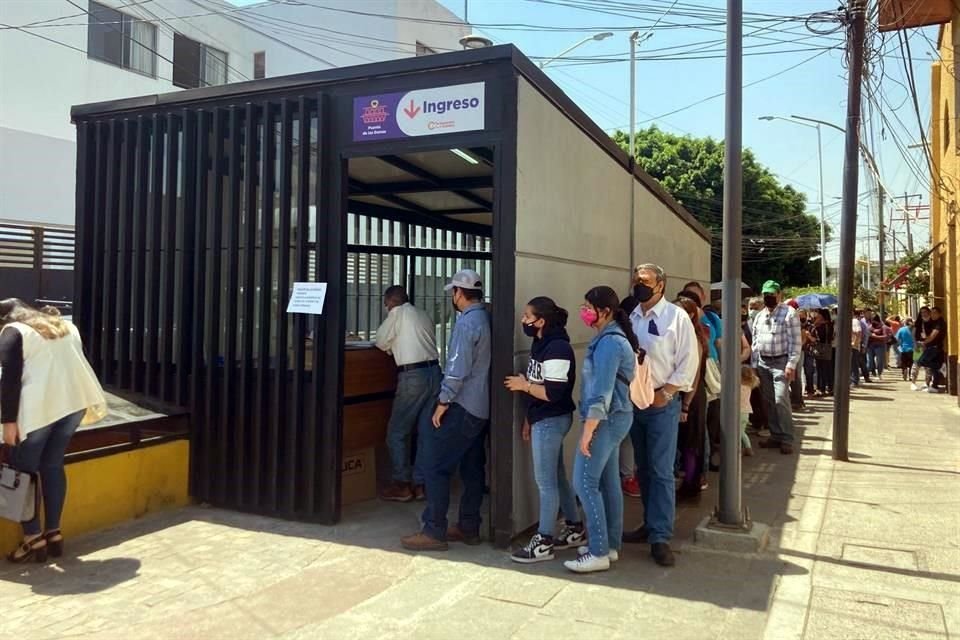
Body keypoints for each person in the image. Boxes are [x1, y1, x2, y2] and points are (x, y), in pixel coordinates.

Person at [0, 299, 107, 563]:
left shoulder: (14, 332)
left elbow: (9, 379)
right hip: (73, 406)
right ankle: (54, 533)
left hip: (39, 412)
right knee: (52, 465)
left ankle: (33, 538)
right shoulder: (65, 326)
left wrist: (8, 422)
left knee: (22, 472)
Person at [401, 270, 490, 551]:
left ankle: (434, 530)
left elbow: (457, 367)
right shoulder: (485, 318)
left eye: (453, 292)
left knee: (435, 465)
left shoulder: (466, 324)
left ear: (459, 294)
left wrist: (443, 402)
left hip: (462, 405)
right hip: (481, 407)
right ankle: (468, 526)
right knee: (472, 467)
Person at [622, 264, 699, 567]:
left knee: (662, 470)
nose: (638, 286)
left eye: (644, 282)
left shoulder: (676, 318)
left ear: (661, 286)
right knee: (643, 468)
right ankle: (649, 525)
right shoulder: (631, 316)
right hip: (636, 402)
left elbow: (688, 363)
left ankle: (661, 536)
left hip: (661, 403)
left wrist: (664, 394)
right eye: (635, 281)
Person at [563, 286, 639, 574]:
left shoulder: (609, 343)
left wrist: (588, 430)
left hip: (605, 420)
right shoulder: (613, 338)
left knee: (584, 482)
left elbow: (602, 391)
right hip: (616, 418)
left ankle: (597, 552)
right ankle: (609, 545)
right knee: (607, 483)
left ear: (604, 311)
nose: (584, 311)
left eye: (588, 306)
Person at [505, 297, 585, 564]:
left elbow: (552, 392)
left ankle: (543, 541)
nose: (523, 321)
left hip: (552, 419)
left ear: (541, 321)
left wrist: (523, 385)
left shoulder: (558, 348)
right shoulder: (541, 342)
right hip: (543, 419)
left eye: (527, 316)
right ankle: (575, 527)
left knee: (545, 483)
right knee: (558, 477)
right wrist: (530, 417)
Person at [375, 285, 441, 503]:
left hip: (412, 377)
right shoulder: (422, 314)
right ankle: (420, 484)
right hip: (434, 375)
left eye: (386, 304)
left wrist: (390, 346)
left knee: (396, 431)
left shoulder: (398, 312)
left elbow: (381, 341)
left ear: (390, 302)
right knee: (425, 432)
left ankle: (402, 484)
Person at [750, 281, 801, 455]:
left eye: (771, 294)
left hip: (781, 363)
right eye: (765, 294)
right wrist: (754, 365)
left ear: (779, 295)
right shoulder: (759, 316)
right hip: (763, 362)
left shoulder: (789, 313)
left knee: (781, 400)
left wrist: (791, 364)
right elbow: (755, 342)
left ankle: (787, 438)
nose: (768, 297)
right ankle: (776, 435)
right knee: (769, 402)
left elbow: (795, 341)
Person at [674, 292, 709, 499]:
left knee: (691, 443)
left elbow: (694, 377)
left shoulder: (695, 338)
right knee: (685, 442)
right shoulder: (684, 336)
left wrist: (686, 405)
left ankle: (690, 486)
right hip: (685, 396)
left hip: (692, 397)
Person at [916, 307, 947, 392]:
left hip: (934, 347)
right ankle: (934, 386)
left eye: (935, 313)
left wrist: (924, 343)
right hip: (934, 347)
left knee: (921, 361)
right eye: (932, 313)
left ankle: (941, 367)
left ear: (939, 314)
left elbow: (933, 336)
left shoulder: (939, 323)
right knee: (933, 368)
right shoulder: (935, 322)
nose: (932, 315)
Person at [811, 309, 834, 396]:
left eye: (819, 314)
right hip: (828, 348)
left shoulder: (821, 326)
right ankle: (829, 387)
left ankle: (821, 388)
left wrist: (815, 325)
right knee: (827, 368)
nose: (817, 316)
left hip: (821, 348)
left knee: (820, 369)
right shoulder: (830, 325)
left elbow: (819, 337)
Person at [910, 307, 932, 390]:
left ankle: (927, 383)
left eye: (925, 312)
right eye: (922, 312)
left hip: (929, 346)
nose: (924, 314)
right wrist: (915, 344)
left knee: (928, 366)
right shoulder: (918, 323)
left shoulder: (932, 322)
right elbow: (913, 334)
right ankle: (913, 382)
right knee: (916, 364)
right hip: (919, 345)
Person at [740, 366, 759, 456]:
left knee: (739, 432)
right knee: (742, 431)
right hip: (746, 412)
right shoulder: (748, 387)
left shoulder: (739, 388)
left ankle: (748, 447)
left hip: (740, 412)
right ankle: (744, 448)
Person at [799, 310, 817, 399]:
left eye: (802, 316)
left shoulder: (811, 327)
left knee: (809, 372)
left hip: (808, 352)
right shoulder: (796, 326)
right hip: (798, 352)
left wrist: (809, 336)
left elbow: (815, 340)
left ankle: (810, 391)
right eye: (799, 317)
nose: (800, 319)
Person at [850, 311, 865, 387]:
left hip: (853, 346)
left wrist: (854, 343)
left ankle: (854, 380)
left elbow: (858, 332)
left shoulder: (855, 321)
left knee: (853, 364)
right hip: (849, 346)